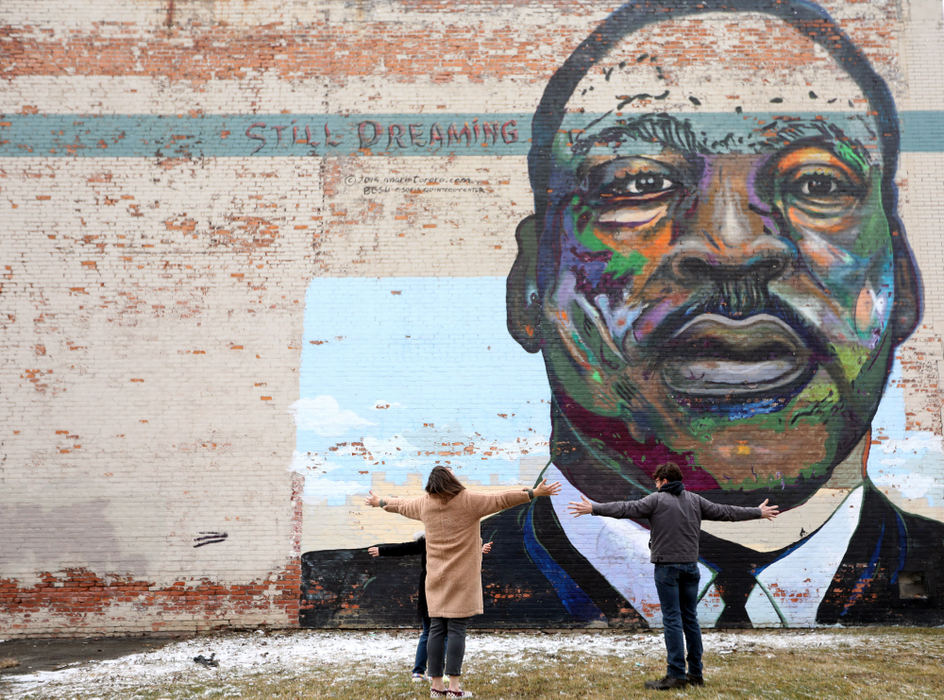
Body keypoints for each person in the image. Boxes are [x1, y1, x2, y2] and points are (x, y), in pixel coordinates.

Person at [300, 0, 944, 630]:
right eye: (637, 183)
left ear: (907, 285)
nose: (735, 247)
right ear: (528, 289)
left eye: (819, 185)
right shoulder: (342, 600)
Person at [569, 461, 779, 689]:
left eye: (657, 482)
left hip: (667, 568)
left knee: (672, 620)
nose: (656, 486)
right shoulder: (695, 501)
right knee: (690, 619)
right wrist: (758, 512)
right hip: (691, 567)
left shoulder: (655, 500)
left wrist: (594, 508)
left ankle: (676, 675)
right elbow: (726, 512)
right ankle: (696, 674)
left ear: (664, 481)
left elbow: (625, 508)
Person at [365, 466, 561, 698]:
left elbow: (400, 505)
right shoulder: (468, 501)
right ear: (451, 480)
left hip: (435, 577)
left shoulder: (424, 504)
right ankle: (455, 688)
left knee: (437, 629)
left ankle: (436, 687)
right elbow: (501, 499)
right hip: (463, 578)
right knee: (457, 628)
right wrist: (533, 493)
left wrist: (380, 502)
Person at [367, 534, 493, 682]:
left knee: (431, 632)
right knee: (443, 632)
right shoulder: (452, 539)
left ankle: (420, 672)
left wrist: (382, 550)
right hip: (445, 590)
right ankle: (439, 673)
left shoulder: (431, 539)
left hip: (433, 590)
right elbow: (464, 556)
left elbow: (405, 548)